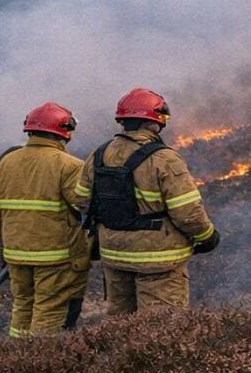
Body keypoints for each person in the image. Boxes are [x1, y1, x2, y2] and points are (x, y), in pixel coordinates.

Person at [71, 87, 220, 314]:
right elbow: (187, 213)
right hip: (158, 258)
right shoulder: (164, 159)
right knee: (160, 324)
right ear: (154, 122)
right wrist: (208, 237)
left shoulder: (99, 154)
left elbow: (81, 200)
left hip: (114, 253)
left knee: (120, 321)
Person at [0, 102, 91, 336]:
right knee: (51, 309)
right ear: (65, 130)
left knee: (23, 305)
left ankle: (19, 353)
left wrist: (2, 245)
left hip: (16, 253)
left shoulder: (6, 162)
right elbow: (85, 205)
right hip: (57, 256)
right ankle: (43, 356)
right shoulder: (69, 165)